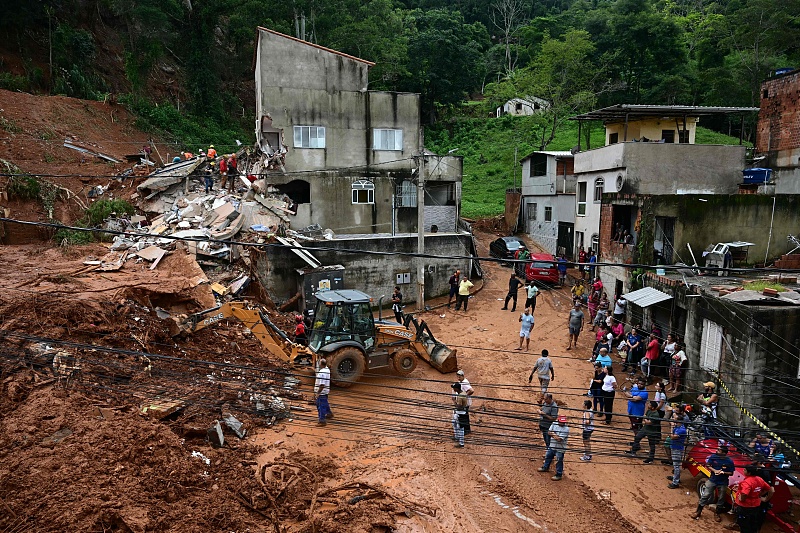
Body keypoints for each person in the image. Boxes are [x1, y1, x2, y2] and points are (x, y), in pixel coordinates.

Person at [692, 445, 735, 521]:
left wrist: (723, 472)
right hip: (712, 480)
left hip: (723, 482)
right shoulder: (713, 457)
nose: (717, 451)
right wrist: (714, 470)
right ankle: (698, 511)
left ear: (724, 453)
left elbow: (731, 473)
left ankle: (717, 513)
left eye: (719, 450)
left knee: (721, 498)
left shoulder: (729, 461)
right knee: (705, 495)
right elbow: (708, 465)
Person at [733, 464, 774, 533]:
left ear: (749, 473)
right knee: (752, 522)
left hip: (745, 506)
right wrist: (763, 497)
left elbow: (744, 493)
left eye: (745, 470)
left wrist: (741, 498)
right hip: (756, 505)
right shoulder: (759, 479)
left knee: (743, 524)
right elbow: (770, 489)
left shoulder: (746, 482)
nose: (743, 470)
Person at [539, 415, 570, 481]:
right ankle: (545, 467)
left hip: (560, 448)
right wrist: (555, 435)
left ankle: (559, 474)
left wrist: (553, 434)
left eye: (563, 422)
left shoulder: (566, 429)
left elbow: (559, 439)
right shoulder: (554, 423)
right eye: (561, 422)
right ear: (558, 420)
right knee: (548, 456)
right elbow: (549, 432)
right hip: (552, 445)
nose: (562, 423)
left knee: (559, 460)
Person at [667, 414, 687, 488]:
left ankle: (675, 483)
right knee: (675, 464)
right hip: (674, 447)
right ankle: (675, 477)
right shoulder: (678, 427)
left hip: (677, 449)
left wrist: (672, 427)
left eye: (674, 418)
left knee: (676, 466)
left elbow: (672, 437)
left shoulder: (682, 430)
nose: (672, 419)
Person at [314, 359, 333, 426]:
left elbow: (322, 385)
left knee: (320, 406)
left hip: (322, 392)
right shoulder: (327, 370)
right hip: (325, 391)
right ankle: (329, 413)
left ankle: (322, 421)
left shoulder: (322, 373)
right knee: (325, 403)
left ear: (321, 364)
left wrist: (318, 393)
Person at [456, 370, 474, 434]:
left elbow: (471, 390)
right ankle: (466, 429)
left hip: (465, 403)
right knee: (465, 416)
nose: (458, 378)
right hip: (464, 402)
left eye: (459, 376)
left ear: (463, 376)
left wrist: (464, 396)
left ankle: (466, 430)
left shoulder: (464, 383)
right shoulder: (462, 381)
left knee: (464, 416)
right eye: (457, 376)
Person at [451, 382, 468, 447]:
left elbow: (459, 406)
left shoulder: (460, 396)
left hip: (460, 413)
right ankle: (457, 437)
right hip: (459, 413)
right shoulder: (462, 393)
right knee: (454, 424)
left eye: (454, 388)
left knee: (460, 428)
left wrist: (454, 401)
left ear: (457, 389)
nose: (453, 389)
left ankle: (461, 443)